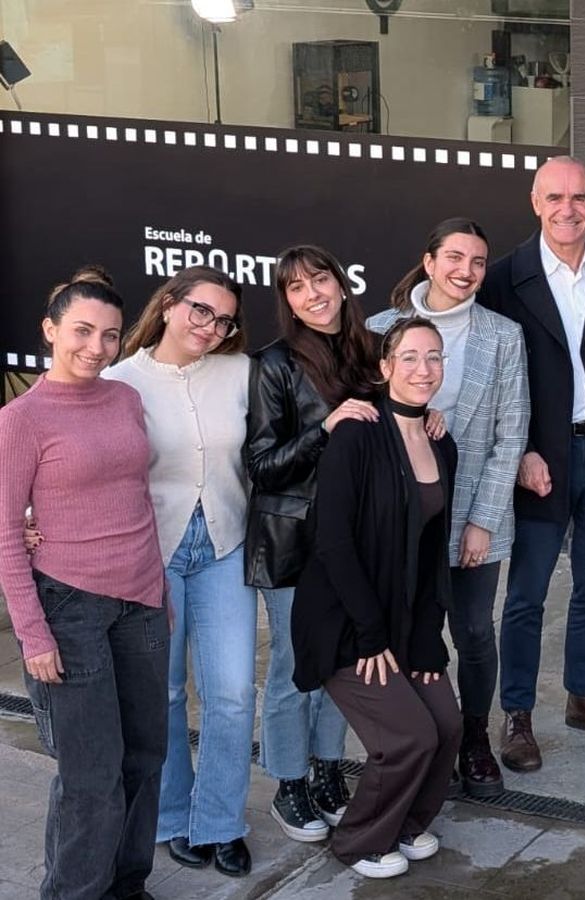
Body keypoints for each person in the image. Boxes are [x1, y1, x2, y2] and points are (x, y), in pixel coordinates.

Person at [478, 156, 585, 772]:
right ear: (535, 202)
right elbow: (498, 377)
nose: (567, 209)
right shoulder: (504, 278)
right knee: (526, 594)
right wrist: (521, 448)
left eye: (579, 197)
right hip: (540, 458)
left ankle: (584, 696)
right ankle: (518, 714)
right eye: (555, 197)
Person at [0, 273, 169, 900]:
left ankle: (127, 885)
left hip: (141, 603)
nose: (96, 346)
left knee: (145, 757)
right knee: (90, 774)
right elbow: (5, 535)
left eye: (109, 334)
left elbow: (136, 498)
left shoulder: (123, 399)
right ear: (49, 331)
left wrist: (159, 591)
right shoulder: (21, 420)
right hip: (68, 608)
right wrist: (32, 631)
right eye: (81, 331)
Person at [292, 318, 463, 879]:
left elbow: (434, 549)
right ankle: (360, 840)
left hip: (406, 620)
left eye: (434, 358)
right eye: (409, 357)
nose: (423, 369)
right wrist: (369, 632)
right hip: (347, 621)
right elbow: (333, 543)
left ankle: (407, 825)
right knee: (408, 737)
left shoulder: (442, 441)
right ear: (385, 367)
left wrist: (427, 641)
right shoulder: (358, 434)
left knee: (448, 725)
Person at [103, 267, 257, 877]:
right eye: (201, 311)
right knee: (161, 694)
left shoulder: (241, 373)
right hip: (152, 556)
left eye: (223, 321)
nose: (211, 328)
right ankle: (171, 818)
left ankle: (220, 823)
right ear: (168, 305)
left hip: (225, 544)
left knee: (231, 692)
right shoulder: (119, 381)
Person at [370, 219, 529, 797]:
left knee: (472, 631)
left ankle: (476, 739)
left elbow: (511, 435)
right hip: (404, 516)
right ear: (429, 261)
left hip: (474, 519)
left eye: (479, 262)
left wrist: (484, 520)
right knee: (409, 627)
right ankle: (414, 739)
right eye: (455, 258)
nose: (466, 271)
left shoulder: (503, 335)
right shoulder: (380, 329)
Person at [246, 245, 382, 842]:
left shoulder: (369, 350)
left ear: (341, 282)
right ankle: (289, 783)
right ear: (288, 302)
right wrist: (324, 429)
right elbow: (263, 466)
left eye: (319, 280)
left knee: (342, 661)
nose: (312, 294)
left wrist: (424, 418)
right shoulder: (273, 363)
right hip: (292, 539)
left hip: (353, 536)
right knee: (293, 667)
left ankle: (328, 771)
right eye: (296, 288)